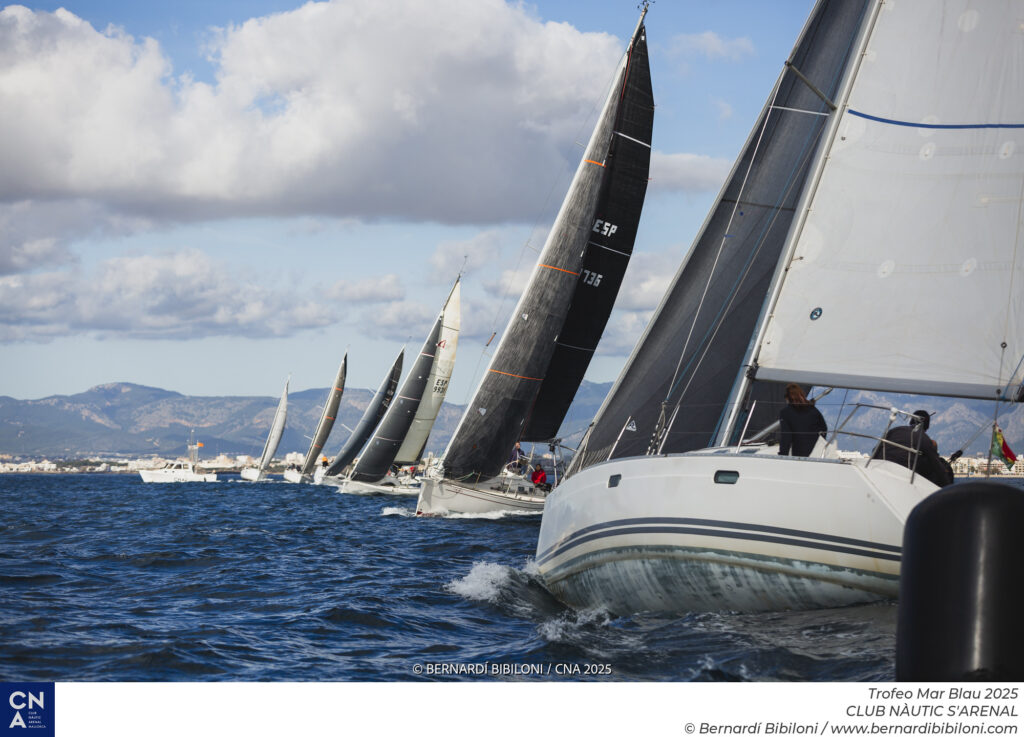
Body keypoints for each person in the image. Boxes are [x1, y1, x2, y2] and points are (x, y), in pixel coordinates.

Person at [872, 410, 953, 487]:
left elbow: (875, 450)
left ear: (911, 421)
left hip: (879, 467)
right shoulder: (924, 438)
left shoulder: (895, 430)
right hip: (903, 473)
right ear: (927, 426)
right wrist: (948, 486)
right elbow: (937, 466)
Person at [778, 384, 827, 457]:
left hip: (798, 453)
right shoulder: (813, 410)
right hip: (815, 453)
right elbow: (824, 428)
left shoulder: (785, 413)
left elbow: (786, 436)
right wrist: (818, 445)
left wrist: (782, 455)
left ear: (787, 398)